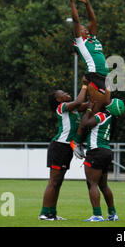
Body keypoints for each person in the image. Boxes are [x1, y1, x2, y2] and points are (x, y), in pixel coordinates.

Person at [39, 84, 88, 221]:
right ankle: (44, 213)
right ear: (59, 100)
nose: (66, 93)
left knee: (58, 182)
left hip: (66, 148)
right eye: (63, 93)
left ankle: (52, 213)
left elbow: (88, 104)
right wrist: (85, 86)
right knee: (53, 181)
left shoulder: (73, 109)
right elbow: (79, 102)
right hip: (59, 147)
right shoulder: (62, 107)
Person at [76, 98, 125, 222]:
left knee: (92, 184)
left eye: (110, 102)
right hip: (106, 152)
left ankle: (97, 215)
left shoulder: (102, 115)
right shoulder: (112, 119)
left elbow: (85, 124)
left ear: (111, 107)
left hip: (96, 151)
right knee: (103, 185)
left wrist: (88, 109)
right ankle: (112, 214)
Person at [70, 0, 110, 113]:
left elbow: (93, 21)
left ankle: (80, 116)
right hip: (94, 75)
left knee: (105, 107)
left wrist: (87, 4)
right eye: (82, 29)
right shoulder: (80, 42)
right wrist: (72, 3)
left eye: (85, 28)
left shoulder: (93, 38)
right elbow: (76, 21)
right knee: (99, 107)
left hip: (104, 76)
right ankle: (82, 128)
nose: (85, 29)